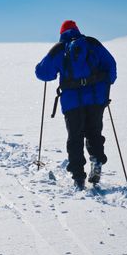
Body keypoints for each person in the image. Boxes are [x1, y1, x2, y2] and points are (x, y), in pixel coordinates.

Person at [35, 20, 117, 188]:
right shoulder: (92, 43)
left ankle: (78, 177)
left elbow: (43, 73)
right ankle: (97, 160)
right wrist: (106, 85)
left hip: (72, 103)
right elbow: (111, 65)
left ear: (62, 33)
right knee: (94, 132)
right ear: (77, 30)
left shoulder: (60, 49)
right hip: (95, 100)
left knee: (75, 137)